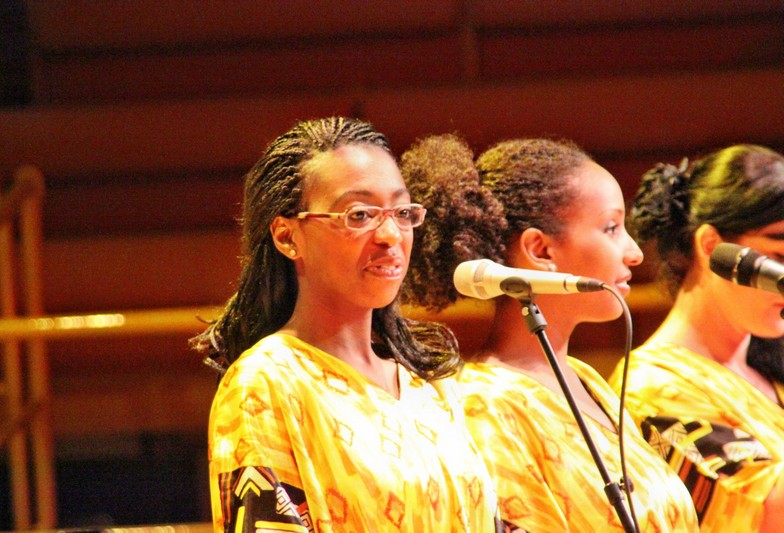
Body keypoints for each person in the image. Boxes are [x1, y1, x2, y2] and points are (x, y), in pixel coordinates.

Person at [191, 117, 500, 532]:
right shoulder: (267, 380)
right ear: (287, 237)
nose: (391, 234)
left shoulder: (429, 386)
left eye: (402, 212)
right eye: (359, 215)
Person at [399, 134, 699, 532]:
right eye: (611, 228)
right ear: (540, 251)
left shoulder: (589, 381)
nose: (635, 253)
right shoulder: (485, 404)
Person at [608, 144, 784, 532]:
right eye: (780, 257)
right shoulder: (650, 388)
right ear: (711, 247)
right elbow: (768, 512)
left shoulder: (769, 364)